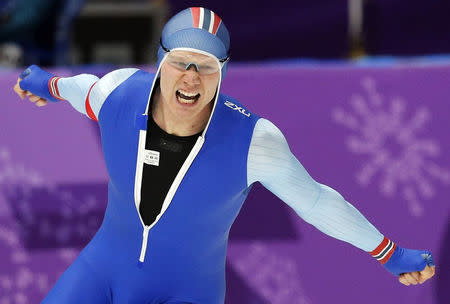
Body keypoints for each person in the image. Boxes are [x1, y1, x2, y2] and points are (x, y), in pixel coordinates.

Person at [13, 7, 435, 304]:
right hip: (101, 272)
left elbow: (317, 202)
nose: (192, 78)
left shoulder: (253, 140)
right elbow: (75, 88)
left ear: (223, 73)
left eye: (207, 67)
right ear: (161, 64)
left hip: (188, 292)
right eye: (181, 63)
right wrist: (44, 85)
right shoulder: (118, 94)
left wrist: (389, 252)